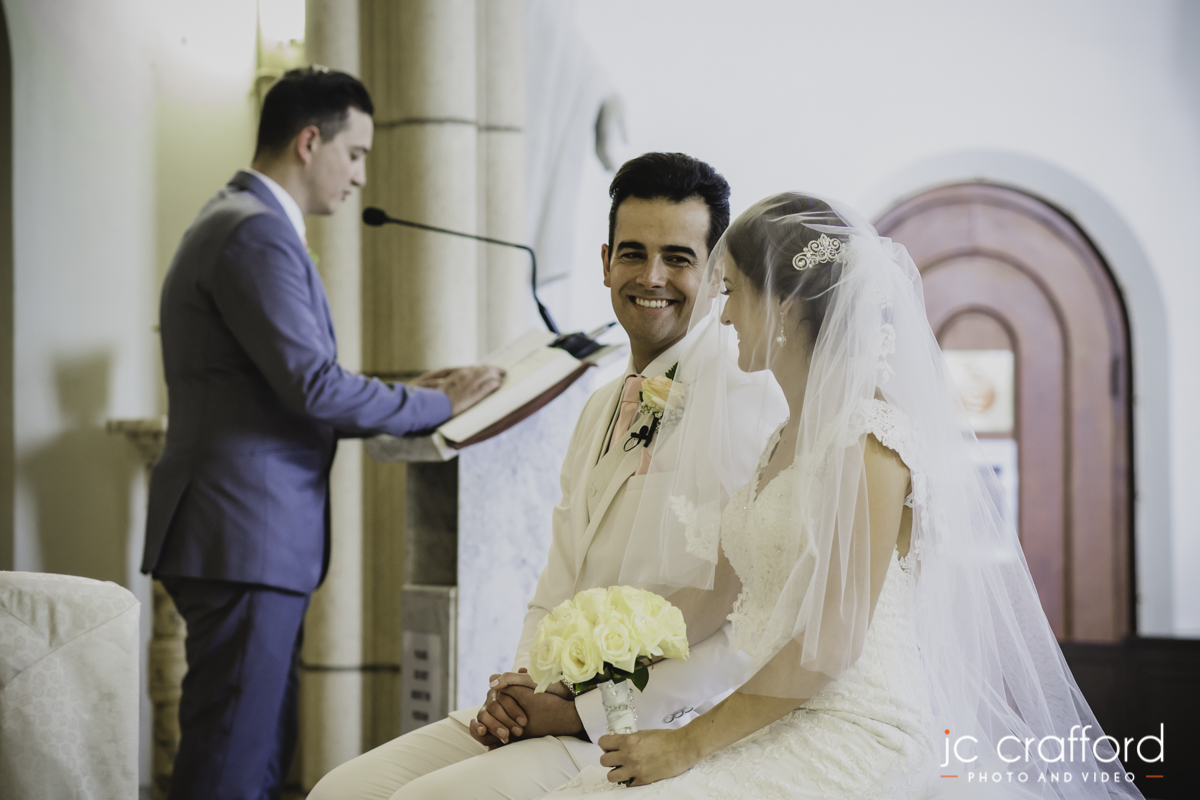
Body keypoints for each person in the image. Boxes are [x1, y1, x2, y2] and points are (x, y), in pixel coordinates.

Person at [536, 193, 1144, 798]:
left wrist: (685, 744)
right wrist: (578, 671)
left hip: (859, 729)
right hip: (777, 722)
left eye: (735, 293)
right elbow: (709, 596)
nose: (723, 318)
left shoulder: (870, 439)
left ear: (784, 303)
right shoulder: (782, 437)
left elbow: (831, 643)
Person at [311, 153, 768, 800]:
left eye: (678, 258)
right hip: (557, 703)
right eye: (633, 254)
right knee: (340, 790)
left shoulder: (749, 406)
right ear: (605, 262)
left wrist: (583, 712)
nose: (652, 277)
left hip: (651, 726)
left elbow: (749, 628)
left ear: (717, 275)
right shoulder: (598, 407)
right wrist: (522, 689)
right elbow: (558, 582)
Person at [141, 67, 503, 800]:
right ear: (310, 141)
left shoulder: (233, 219)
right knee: (231, 765)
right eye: (356, 153)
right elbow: (313, 387)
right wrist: (436, 404)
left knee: (253, 754)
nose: (361, 175)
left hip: (240, 532)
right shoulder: (254, 233)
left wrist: (409, 394)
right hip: (244, 533)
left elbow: (286, 383)